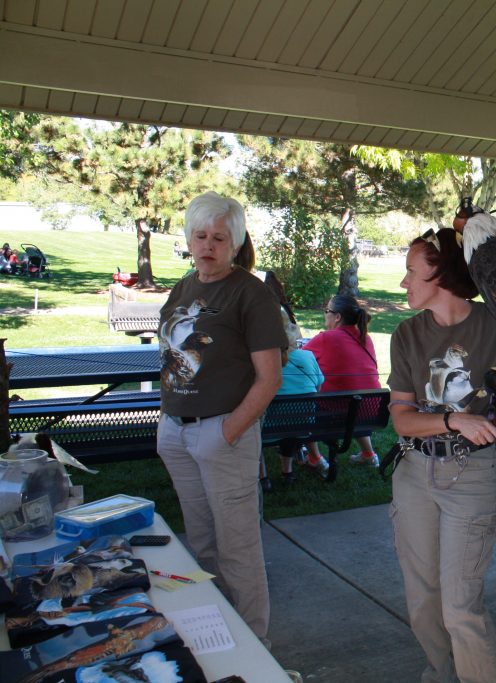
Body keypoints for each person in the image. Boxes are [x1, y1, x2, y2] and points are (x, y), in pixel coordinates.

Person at [156, 190, 286, 646]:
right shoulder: (184, 287)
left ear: (235, 243)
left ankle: (255, 646)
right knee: (202, 543)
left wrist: (229, 431)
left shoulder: (250, 293)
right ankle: (218, 636)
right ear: (189, 239)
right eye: (200, 235)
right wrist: (167, 418)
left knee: (238, 550)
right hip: (176, 432)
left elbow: (269, 377)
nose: (208, 245)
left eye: (219, 237)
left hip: (222, 433)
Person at [388, 227, 496, 683]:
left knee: (460, 607)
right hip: (416, 471)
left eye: (410, 273)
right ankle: (443, 675)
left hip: (470, 475)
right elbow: (401, 418)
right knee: (423, 601)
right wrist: (452, 420)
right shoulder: (407, 334)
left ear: (441, 276)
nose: (404, 283)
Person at [303, 293, 382, 466]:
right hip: (371, 412)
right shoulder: (365, 337)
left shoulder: (326, 338)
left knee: (302, 398)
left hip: (337, 414)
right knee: (354, 399)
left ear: (337, 317)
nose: (325, 314)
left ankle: (315, 458)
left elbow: (298, 358)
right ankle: (369, 454)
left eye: (327, 311)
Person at [274, 307, 330, 483]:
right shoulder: (307, 356)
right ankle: (296, 466)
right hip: (305, 423)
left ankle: (267, 476)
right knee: (293, 420)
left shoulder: (264, 360)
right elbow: (319, 387)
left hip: (272, 426)